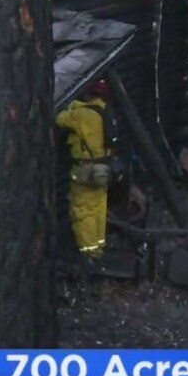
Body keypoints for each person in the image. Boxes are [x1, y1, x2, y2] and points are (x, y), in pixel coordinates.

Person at [56, 80, 115, 276]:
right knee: (98, 208)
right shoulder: (104, 111)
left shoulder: (82, 114)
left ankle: (88, 254)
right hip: (103, 168)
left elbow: (59, 118)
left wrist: (73, 104)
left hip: (85, 170)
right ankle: (98, 247)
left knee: (82, 211)